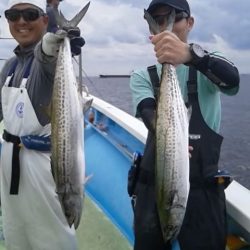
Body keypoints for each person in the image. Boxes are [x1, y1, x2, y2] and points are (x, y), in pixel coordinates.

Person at [129, 0, 240, 250]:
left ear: (190, 23)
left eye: (173, 17)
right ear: (151, 30)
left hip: (203, 189)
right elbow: (148, 112)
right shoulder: (142, 75)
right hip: (156, 181)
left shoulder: (207, 63)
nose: (165, 25)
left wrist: (191, 55)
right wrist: (172, 141)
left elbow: (232, 82)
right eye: (157, 19)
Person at [0, 0, 85, 249]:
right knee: (18, 235)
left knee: (53, 240)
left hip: (45, 170)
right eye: (13, 14)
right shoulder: (10, 65)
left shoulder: (44, 60)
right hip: (10, 168)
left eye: (30, 14)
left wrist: (53, 43)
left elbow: (46, 55)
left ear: (45, 20)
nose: (21, 21)